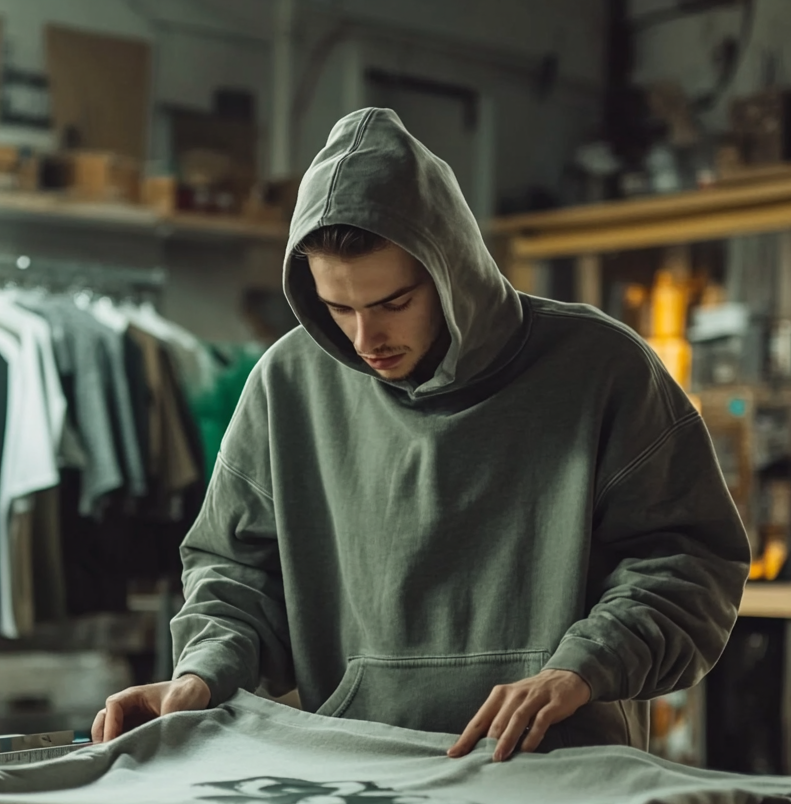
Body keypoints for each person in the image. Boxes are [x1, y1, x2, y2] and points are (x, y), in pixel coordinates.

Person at [91, 108, 750, 761]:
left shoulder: (603, 369)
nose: (362, 339)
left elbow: (688, 565)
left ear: (451, 273)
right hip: (356, 772)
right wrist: (201, 674)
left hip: (557, 767)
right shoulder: (287, 384)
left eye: (392, 305)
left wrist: (585, 667)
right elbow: (237, 573)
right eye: (336, 307)